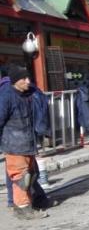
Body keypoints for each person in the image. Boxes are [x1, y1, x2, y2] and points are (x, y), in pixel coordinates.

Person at [0, 66, 52, 220]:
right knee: (21, 177)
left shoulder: (27, 94)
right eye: (24, 79)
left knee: (31, 175)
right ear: (15, 81)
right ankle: (22, 209)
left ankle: (31, 202)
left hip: (27, 143)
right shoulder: (6, 97)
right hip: (14, 144)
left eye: (28, 78)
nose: (28, 81)